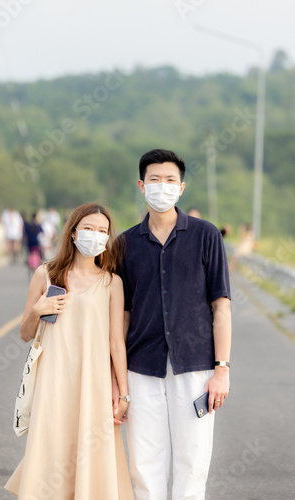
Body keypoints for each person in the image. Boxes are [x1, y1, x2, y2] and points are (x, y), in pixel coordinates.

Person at [114, 149, 232, 500]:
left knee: (192, 462)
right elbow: (123, 316)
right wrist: (115, 378)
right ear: (141, 185)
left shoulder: (206, 235)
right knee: (144, 465)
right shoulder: (125, 244)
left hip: (195, 368)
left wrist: (221, 369)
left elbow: (221, 306)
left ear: (181, 188)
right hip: (141, 368)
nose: (161, 187)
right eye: (154, 180)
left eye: (169, 180)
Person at [5, 203, 134, 500]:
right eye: (89, 228)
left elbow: (116, 343)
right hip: (53, 378)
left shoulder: (112, 282)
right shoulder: (45, 274)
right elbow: (25, 333)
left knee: (91, 451)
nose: (96, 235)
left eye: (103, 231)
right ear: (73, 231)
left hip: (93, 382)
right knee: (53, 446)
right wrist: (38, 310)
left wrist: (123, 392)